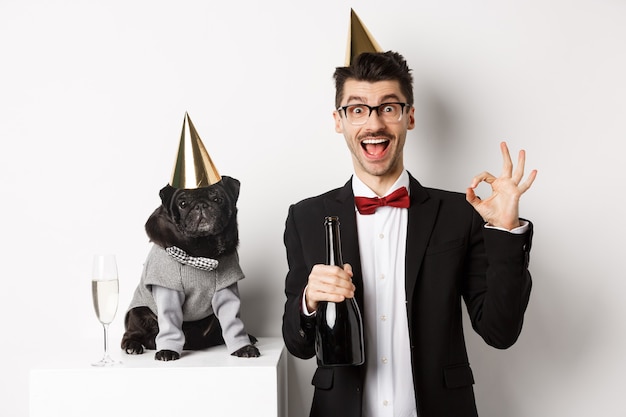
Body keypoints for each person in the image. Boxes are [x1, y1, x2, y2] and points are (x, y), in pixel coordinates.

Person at [281, 50, 536, 417]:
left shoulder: (459, 214)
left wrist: (505, 230)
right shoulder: (305, 217)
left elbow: (501, 331)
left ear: (409, 116)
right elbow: (298, 345)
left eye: (388, 107)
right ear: (339, 121)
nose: (373, 124)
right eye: (357, 109)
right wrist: (309, 300)